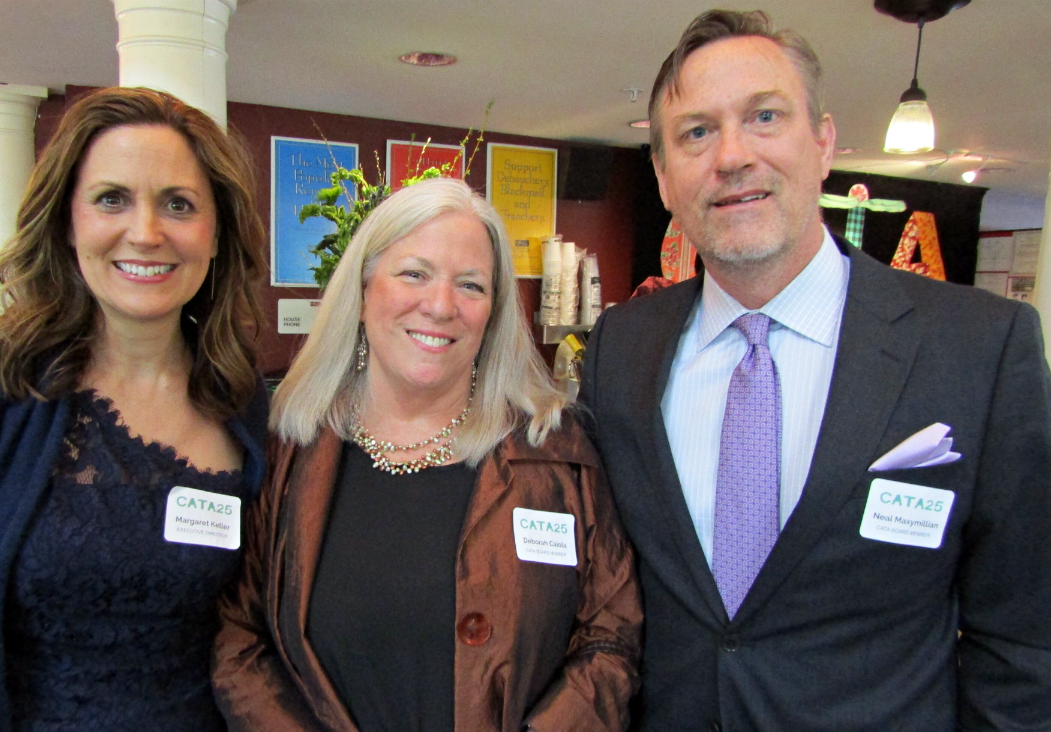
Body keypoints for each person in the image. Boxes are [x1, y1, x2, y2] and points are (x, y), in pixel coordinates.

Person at [581, 9, 1051, 732]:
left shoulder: (978, 348)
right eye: (696, 132)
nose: (731, 156)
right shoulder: (620, 349)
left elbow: (1024, 639)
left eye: (764, 117)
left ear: (823, 143)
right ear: (665, 176)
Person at [0, 87, 269, 731]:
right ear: (67, 222)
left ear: (217, 236)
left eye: (178, 205)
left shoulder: (254, 419)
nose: (146, 232)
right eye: (112, 199)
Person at [212, 177, 642, 732]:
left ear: (494, 312)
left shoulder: (555, 455)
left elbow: (612, 633)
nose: (441, 306)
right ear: (363, 292)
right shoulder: (291, 452)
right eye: (414, 274)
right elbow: (240, 637)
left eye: (470, 285)